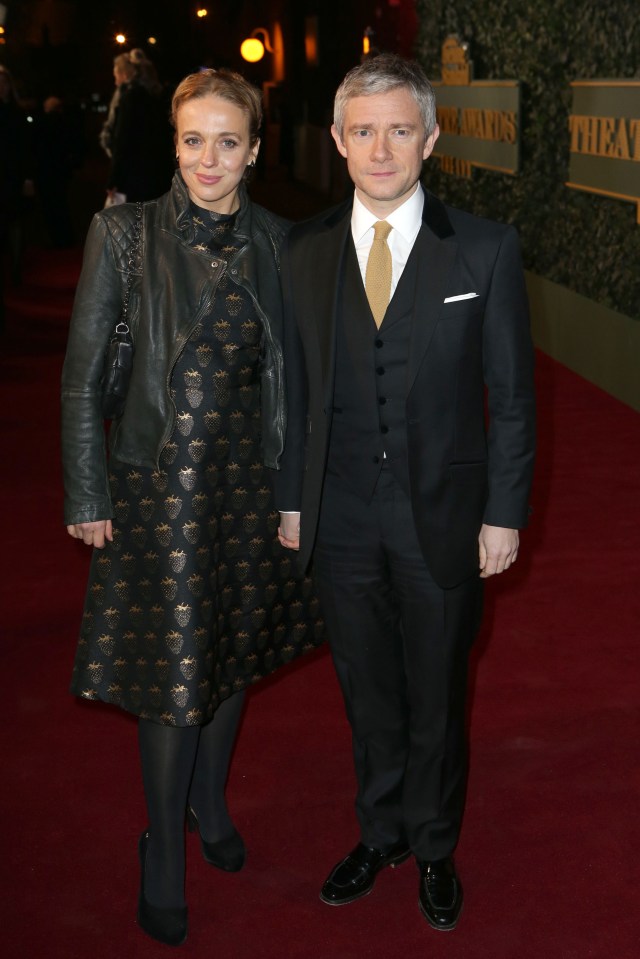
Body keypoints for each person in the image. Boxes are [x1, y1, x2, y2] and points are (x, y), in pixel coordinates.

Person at [61, 68, 323, 947]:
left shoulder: (284, 243)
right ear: (173, 143)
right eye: (190, 140)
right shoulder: (123, 234)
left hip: (248, 485)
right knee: (174, 671)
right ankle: (163, 851)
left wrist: (295, 497)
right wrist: (87, 488)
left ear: (255, 149)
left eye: (226, 142)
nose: (207, 160)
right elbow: (82, 378)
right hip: (157, 484)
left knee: (233, 647)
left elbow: (297, 382)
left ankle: (211, 803)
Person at [277, 53, 535, 932]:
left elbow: (513, 396)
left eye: (398, 129)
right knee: (367, 690)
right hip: (339, 514)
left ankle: (432, 844)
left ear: (429, 138)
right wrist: (290, 500)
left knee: (437, 693)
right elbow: (292, 395)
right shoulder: (302, 251)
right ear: (338, 141)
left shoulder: (487, 248)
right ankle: (379, 831)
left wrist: (503, 512)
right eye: (362, 130)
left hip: (449, 519)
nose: (380, 148)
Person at [102, 48, 173, 204]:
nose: (115, 82)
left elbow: (122, 141)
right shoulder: (154, 95)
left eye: (116, 76)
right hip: (157, 174)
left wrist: (113, 179)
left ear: (125, 74)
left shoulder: (130, 98)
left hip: (134, 177)